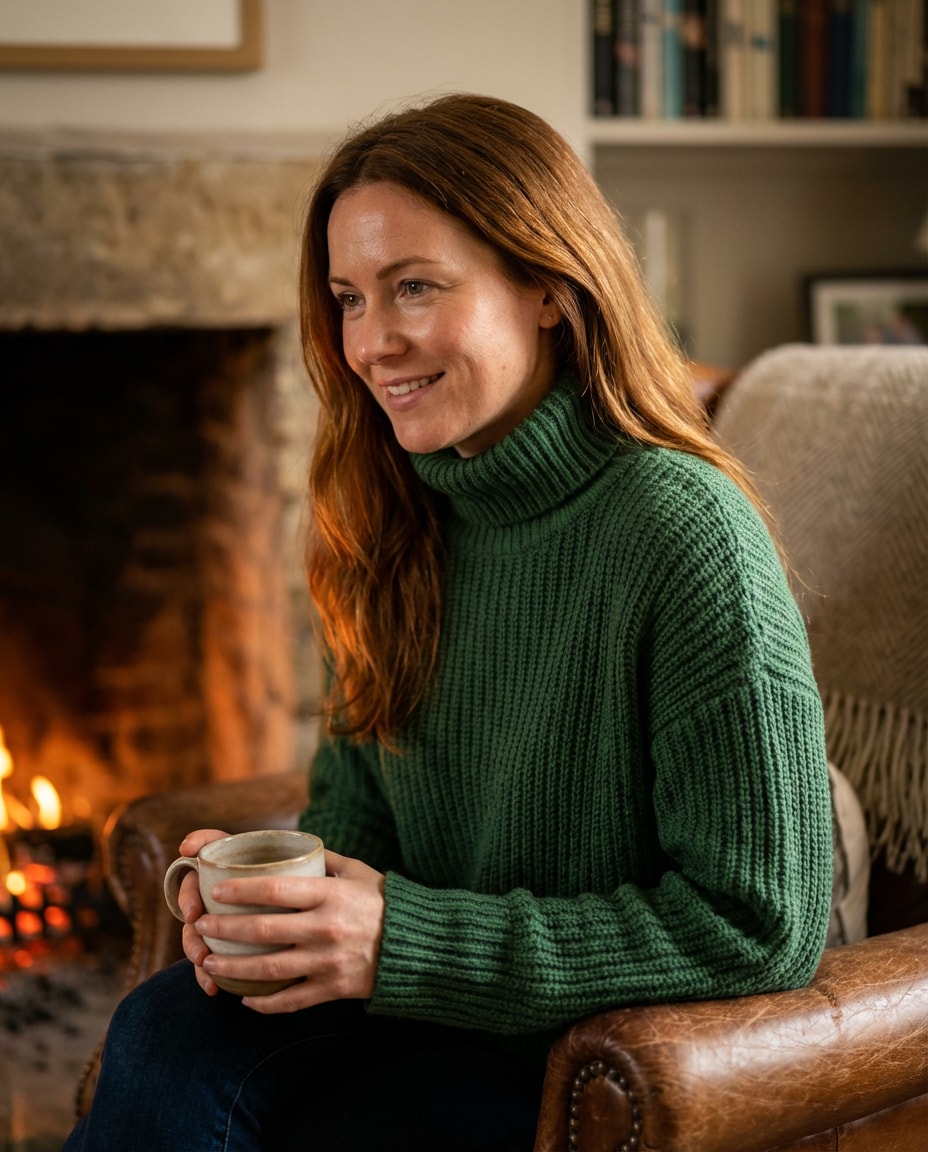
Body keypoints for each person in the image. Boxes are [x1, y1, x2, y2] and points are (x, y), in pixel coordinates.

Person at [64, 93, 832, 1151]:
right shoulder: (390, 515)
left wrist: (404, 944)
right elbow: (363, 833)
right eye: (346, 298)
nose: (370, 344)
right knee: (166, 1026)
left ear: (548, 289)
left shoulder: (681, 533)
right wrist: (287, 918)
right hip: (420, 1020)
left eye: (413, 287)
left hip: (575, 1066)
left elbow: (761, 927)